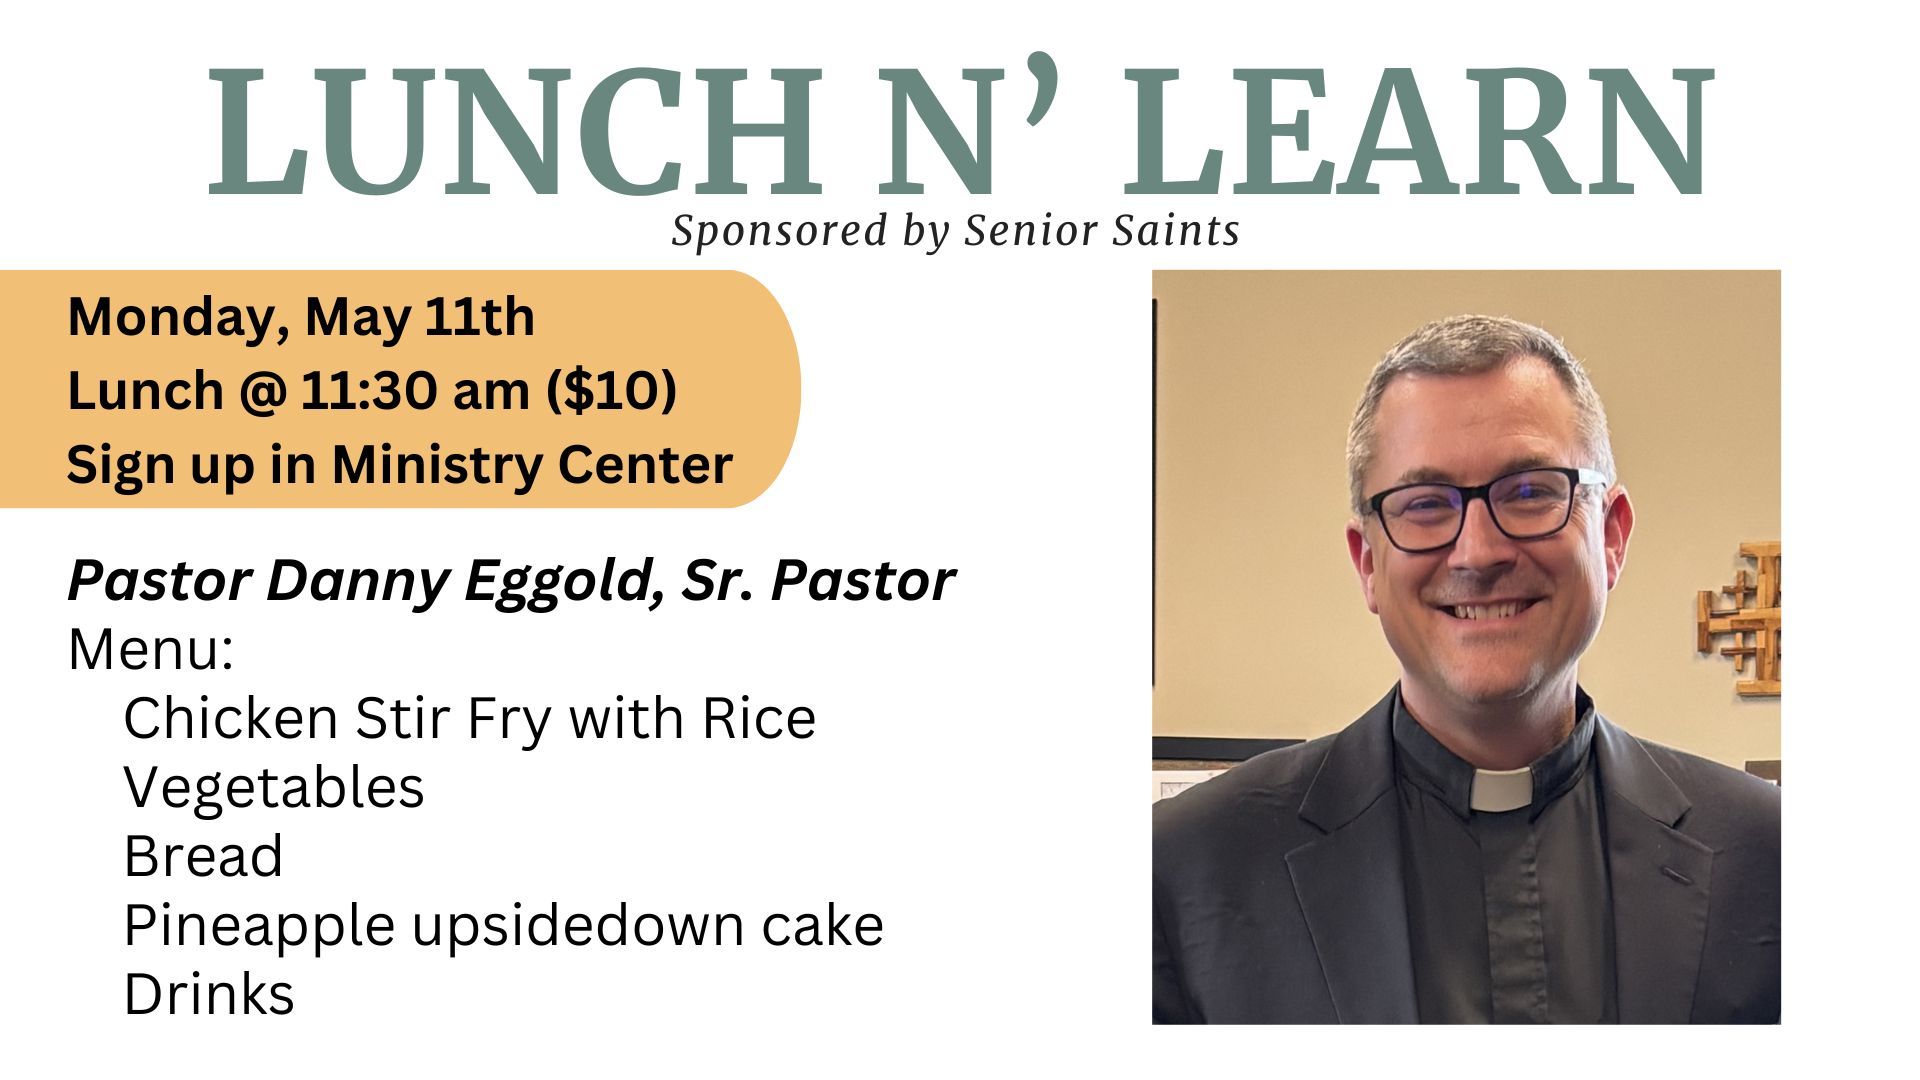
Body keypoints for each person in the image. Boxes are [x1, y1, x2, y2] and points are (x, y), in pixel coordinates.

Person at [1152, 315, 1779, 1024]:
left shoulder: (1770, 859)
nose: (1478, 553)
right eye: (1424, 506)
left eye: (1530, 492)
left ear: (1611, 536)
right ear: (1367, 562)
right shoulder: (1183, 873)